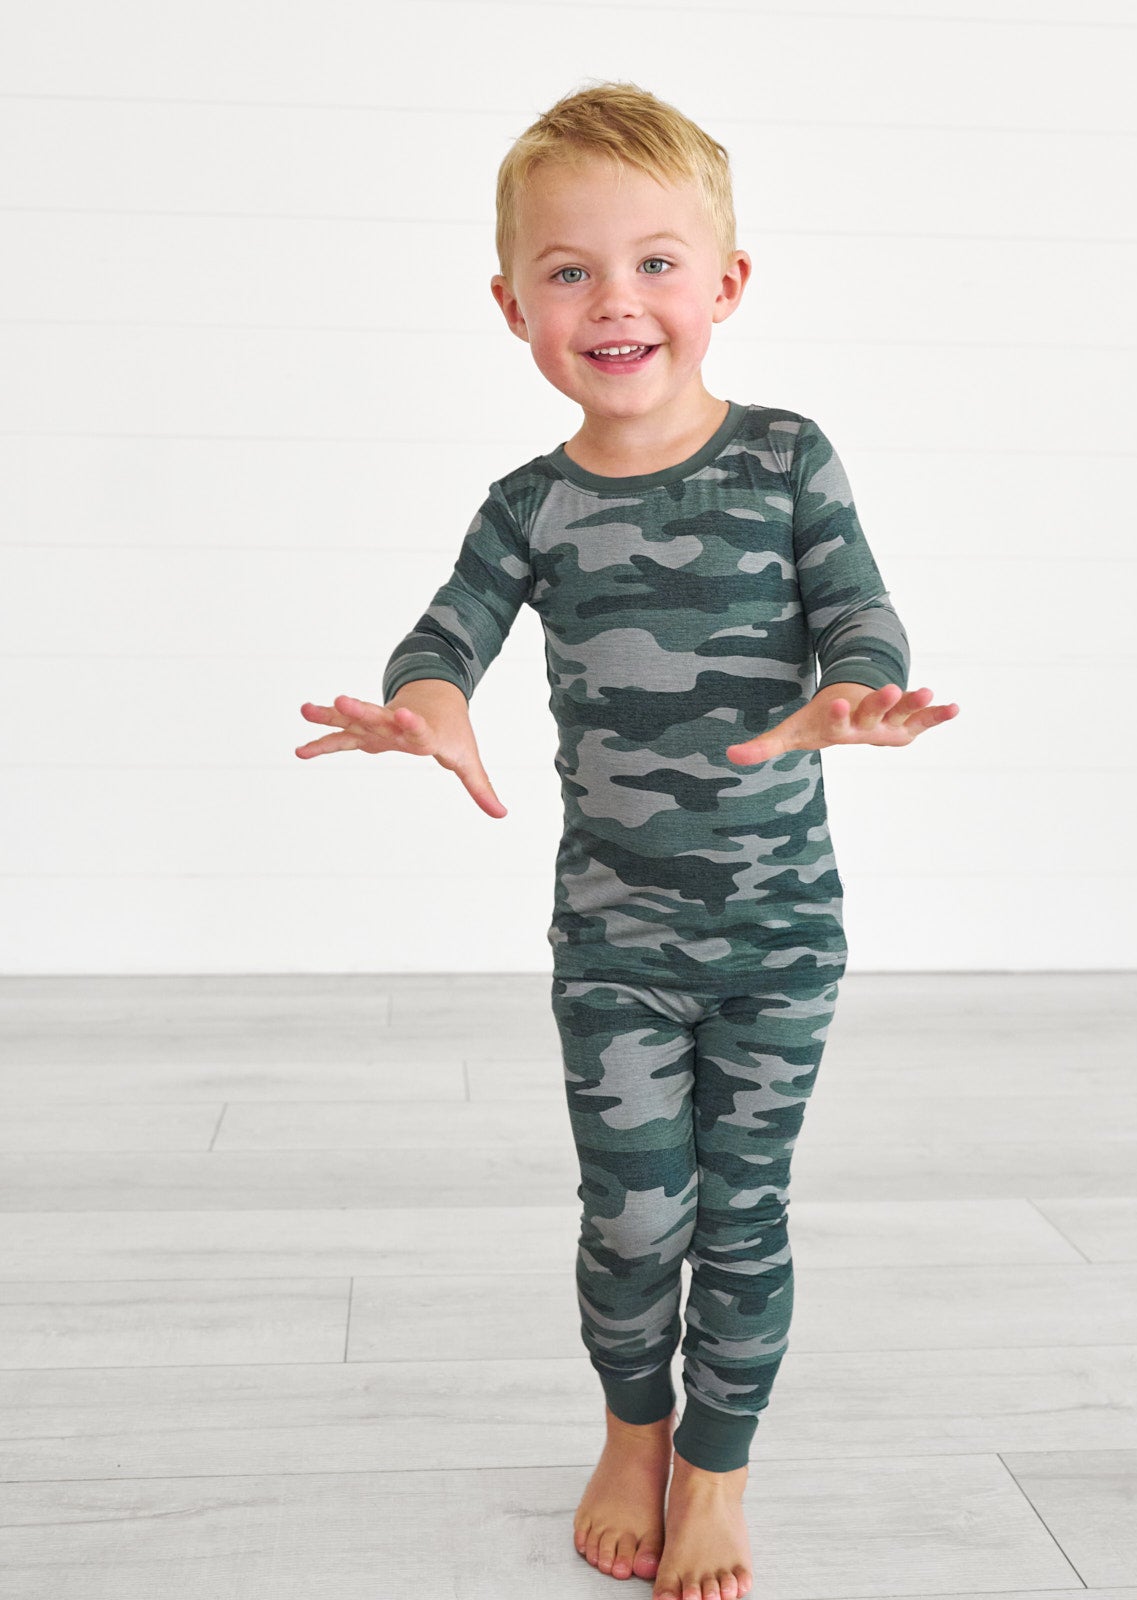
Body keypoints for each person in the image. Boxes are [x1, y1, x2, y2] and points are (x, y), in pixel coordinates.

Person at [296, 80, 958, 1600]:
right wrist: (426, 702)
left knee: (743, 1211)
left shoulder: (788, 458)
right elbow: (444, 632)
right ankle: (631, 1428)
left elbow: (858, 609)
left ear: (726, 284)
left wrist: (856, 690)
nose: (617, 301)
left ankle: (716, 1467)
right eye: (571, 269)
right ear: (513, 302)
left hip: (780, 935)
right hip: (613, 941)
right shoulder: (529, 507)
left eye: (658, 262)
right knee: (632, 1211)